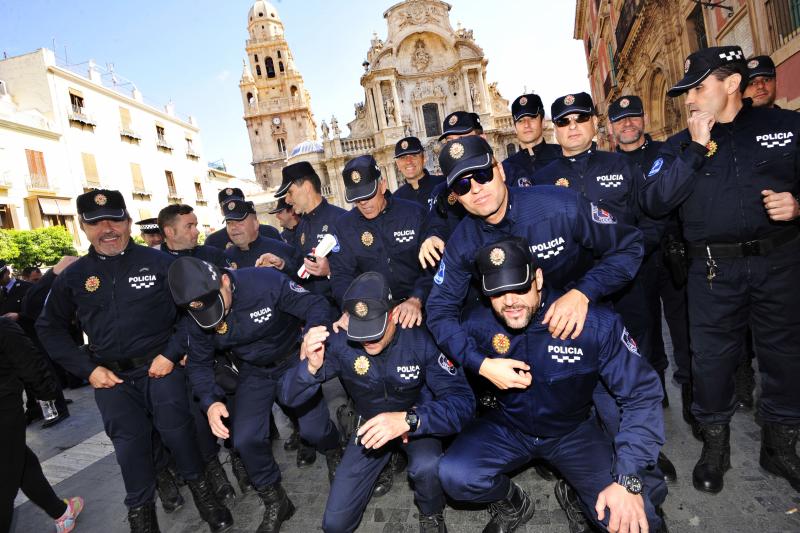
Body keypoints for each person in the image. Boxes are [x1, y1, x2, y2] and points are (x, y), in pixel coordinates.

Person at [642, 45, 800, 494]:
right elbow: (654, 202)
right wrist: (694, 150)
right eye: (686, 90)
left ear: (731, 84)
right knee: (709, 362)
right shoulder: (678, 147)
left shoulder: (786, 127)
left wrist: (798, 205)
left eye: (698, 87)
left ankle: (780, 447)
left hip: (780, 262)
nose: (689, 98)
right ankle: (716, 448)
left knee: (785, 357)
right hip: (712, 272)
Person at [438, 238, 667, 533]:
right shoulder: (475, 324)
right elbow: (444, 365)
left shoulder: (594, 324)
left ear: (538, 278)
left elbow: (641, 395)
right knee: (454, 475)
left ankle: (575, 491)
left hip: (572, 432)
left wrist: (627, 479)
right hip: (508, 427)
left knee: (634, 522)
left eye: (519, 287)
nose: (509, 301)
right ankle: (513, 502)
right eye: (497, 292)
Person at [36, 189, 232, 532]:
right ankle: (142, 520)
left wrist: (171, 354)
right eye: (96, 223)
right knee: (130, 450)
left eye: (115, 219)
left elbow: (196, 313)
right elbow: (48, 327)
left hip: (160, 370)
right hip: (110, 379)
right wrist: (87, 369)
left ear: (128, 222)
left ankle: (207, 500)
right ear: (83, 227)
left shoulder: (162, 263)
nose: (107, 229)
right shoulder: (75, 275)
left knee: (180, 437)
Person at [426, 135, 644, 387]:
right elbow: (439, 310)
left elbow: (628, 245)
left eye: (483, 175)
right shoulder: (462, 244)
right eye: (462, 185)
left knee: (620, 413)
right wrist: (481, 364)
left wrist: (583, 292)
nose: (475, 188)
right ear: (456, 196)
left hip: (583, 333)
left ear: (500, 171)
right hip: (516, 357)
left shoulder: (559, 206)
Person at [281, 271, 475, 533]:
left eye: (375, 329)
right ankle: (383, 463)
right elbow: (288, 396)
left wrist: (412, 420)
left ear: (393, 315)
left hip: (414, 420)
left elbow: (463, 403)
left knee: (427, 465)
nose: (368, 341)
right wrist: (310, 369)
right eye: (360, 332)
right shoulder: (340, 341)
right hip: (368, 423)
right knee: (335, 525)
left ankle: (431, 513)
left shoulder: (421, 337)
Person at [167, 256, 341, 533]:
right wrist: (210, 402)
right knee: (244, 439)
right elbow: (199, 364)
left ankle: (334, 450)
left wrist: (311, 334)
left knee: (314, 430)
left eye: (216, 304)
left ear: (225, 280)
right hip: (253, 371)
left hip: (292, 358)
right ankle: (276, 499)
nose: (215, 315)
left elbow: (315, 304)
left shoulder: (264, 282)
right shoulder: (196, 317)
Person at [607, 94, 696, 432]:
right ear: (611, 127)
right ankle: (655, 395)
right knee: (643, 334)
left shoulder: (667, 154)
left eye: (633, 117)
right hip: (634, 264)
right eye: (620, 120)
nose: (627, 124)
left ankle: (693, 399)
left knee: (684, 329)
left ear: (643, 119)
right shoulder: (608, 165)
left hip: (672, 255)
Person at [0, 318, 84, 533]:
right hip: (5, 412)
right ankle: (60, 512)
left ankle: (61, 512)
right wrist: (47, 393)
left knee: (19, 461)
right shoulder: (3, 327)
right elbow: (30, 363)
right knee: (8, 477)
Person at [329, 155, 430, 325]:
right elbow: (341, 276)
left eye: (368, 196)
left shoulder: (414, 214)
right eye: (357, 200)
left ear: (382, 185)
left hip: (423, 305)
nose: (364, 204)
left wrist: (417, 297)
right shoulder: (344, 226)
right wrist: (351, 307)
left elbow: (435, 265)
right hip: (374, 313)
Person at [275, 162, 347, 306]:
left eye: (290, 192)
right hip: (315, 310)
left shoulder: (342, 220)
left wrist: (329, 270)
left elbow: (361, 267)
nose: (287, 200)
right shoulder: (301, 225)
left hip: (341, 309)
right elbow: (300, 267)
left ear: (307, 187)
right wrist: (282, 264)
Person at [222, 199, 299, 272]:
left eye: (239, 221)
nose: (233, 227)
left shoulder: (281, 250)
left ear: (256, 224)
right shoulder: (225, 257)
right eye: (229, 223)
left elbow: (302, 279)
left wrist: (283, 266)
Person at [502, 93, 561, 187]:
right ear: (514, 128)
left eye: (532, 118)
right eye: (520, 121)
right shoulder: (506, 168)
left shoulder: (562, 155)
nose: (526, 125)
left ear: (543, 122)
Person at [205, 187, 281, 250]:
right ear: (221, 210)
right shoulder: (213, 241)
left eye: (237, 203)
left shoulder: (269, 232)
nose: (232, 207)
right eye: (226, 205)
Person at [392, 136, 444, 209]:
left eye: (414, 155)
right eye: (403, 158)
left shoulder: (443, 185)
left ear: (424, 158)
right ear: (398, 164)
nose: (408, 161)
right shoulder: (395, 200)